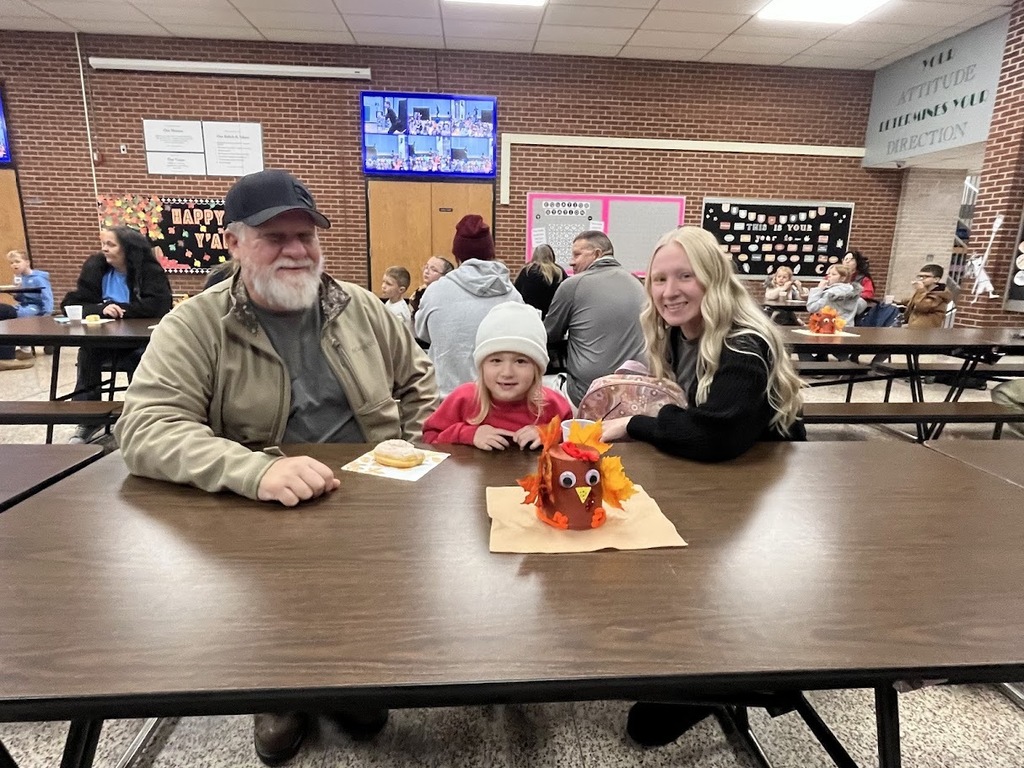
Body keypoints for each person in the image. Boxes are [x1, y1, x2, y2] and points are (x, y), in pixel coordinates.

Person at [115, 169, 438, 766]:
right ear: (233, 244)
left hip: (370, 499)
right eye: (275, 237)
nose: (296, 251)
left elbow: (421, 387)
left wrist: (414, 458)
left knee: (362, 603)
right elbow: (143, 428)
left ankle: (351, 675)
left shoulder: (362, 308)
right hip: (257, 510)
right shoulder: (196, 324)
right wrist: (253, 472)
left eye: (306, 236)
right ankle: (278, 689)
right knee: (266, 600)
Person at [599, 226, 804, 748]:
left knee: (644, 727)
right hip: (716, 483)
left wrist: (637, 424)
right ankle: (677, 650)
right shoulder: (674, 333)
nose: (669, 290)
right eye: (660, 278)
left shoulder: (743, 344)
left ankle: (736, 672)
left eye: (684, 276)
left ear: (713, 279)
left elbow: (716, 436)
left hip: (763, 492)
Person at [61, 226, 172, 442]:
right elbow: (71, 303)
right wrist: (101, 309)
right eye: (103, 244)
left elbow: (159, 305)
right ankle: (88, 419)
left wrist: (120, 310)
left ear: (128, 249)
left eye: (111, 244)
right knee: (87, 352)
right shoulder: (95, 268)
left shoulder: (149, 271)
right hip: (103, 342)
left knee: (139, 356)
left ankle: (140, 417)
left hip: (138, 342)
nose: (104, 249)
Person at [422, 303, 572, 448]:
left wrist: (550, 434)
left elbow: (574, 443)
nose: (507, 372)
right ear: (482, 366)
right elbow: (429, 439)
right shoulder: (462, 400)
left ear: (537, 369)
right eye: (496, 360)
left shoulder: (554, 406)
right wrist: (467, 433)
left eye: (521, 361)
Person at [415, 214, 522, 398]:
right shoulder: (512, 295)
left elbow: (422, 334)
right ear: (490, 253)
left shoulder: (435, 292)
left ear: (456, 255)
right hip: (496, 399)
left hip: (447, 398)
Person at [544, 231, 646, 406]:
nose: (571, 261)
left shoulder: (573, 285)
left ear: (598, 254)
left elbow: (548, 334)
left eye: (577, 254)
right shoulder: (637, 283)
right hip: (634, 394)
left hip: (586, 394)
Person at [514, 243, 567, 318]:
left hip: (530, 315)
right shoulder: (559, 272)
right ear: (551, 255)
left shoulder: (527, 271)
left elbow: (517, 292)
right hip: (552, 316)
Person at [899, 263, 953, 328]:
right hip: (915, 328)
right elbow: (914, 301)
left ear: (936, 279)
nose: (921, 279)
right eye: (920, 276)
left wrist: (921, 290)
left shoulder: (939, 294)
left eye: (926, 277)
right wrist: (898, 302)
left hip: (927, 331)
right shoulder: (925, 290)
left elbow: (923, 306)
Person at [409, 255, 454, 319]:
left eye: (434, 270)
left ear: (445, 275)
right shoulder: (419, 292)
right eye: (426, 267)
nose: (426, 271)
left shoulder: (446, 296)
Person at [381, 265, 413, 334]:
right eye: (383, 282)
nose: (383, 286)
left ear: (401, 290)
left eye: (388, 284)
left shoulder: (400, 312)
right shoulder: (389, 302)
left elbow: (396, 333)